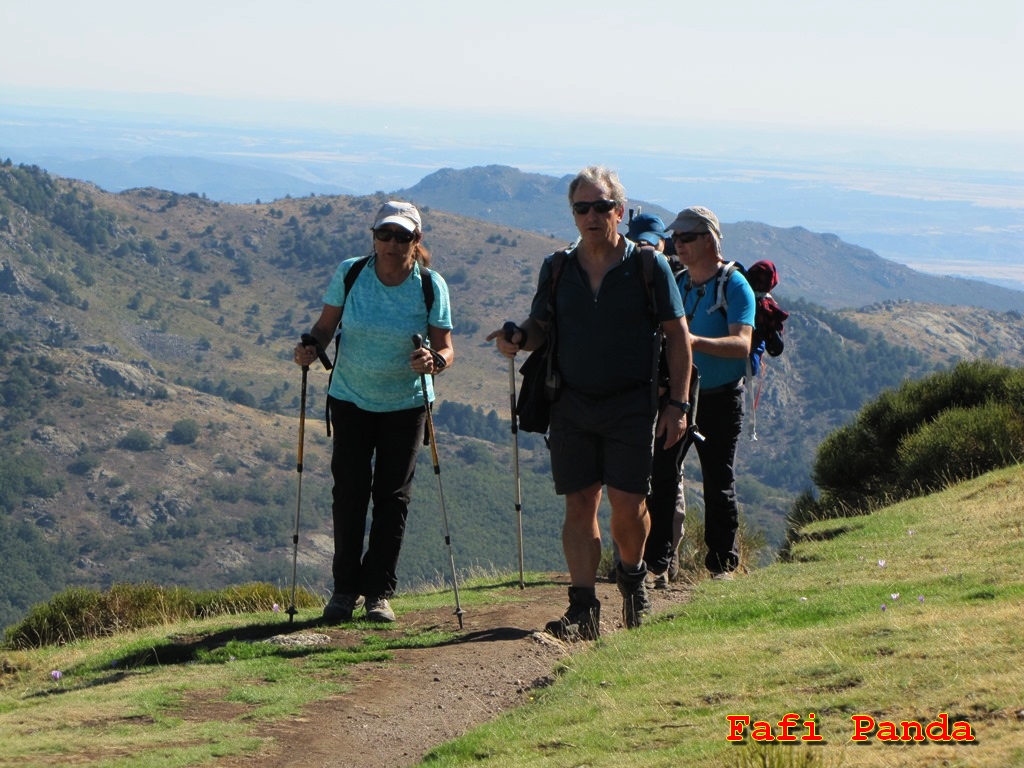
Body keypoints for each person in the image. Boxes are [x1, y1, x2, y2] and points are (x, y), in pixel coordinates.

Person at [488, 166, 692, 639]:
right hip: (571, 402)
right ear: (573, 213)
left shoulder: (647, 265)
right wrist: (518, 336)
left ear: (619, 211)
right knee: (579, 504)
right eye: (583, 207)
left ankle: (633, 577)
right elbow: (542, 328)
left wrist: (677, 405)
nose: (592, 215)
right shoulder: (557, 267)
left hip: (631, 405)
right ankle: (583, 607)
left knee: (627, 503)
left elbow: (678, 337)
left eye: (602, 207)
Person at [294, 201, 454, 623]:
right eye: (384, 234)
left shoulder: (430, 285)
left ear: (416, 241)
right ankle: (344, 591)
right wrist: (312, 346)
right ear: (374, 236)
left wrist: (434, 362)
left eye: (402, 236)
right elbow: (327, 325)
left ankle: (378, 593)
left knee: (392, 497)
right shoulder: (351, 273)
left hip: (406, 403)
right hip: (350, 399)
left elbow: (447, 348)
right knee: (349, 493)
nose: (391, 243)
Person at [664, 206, 755, 580]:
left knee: (719, 481)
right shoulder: (679, 282)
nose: (677, 245)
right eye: (675, 239)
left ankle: (722, 565)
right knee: (664, 476)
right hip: (682, 396)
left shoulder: (735, 285)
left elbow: (742, 344)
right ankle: (661, 560)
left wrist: (693, 341)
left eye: (685, 238)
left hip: (719, 398)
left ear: (708, 240)